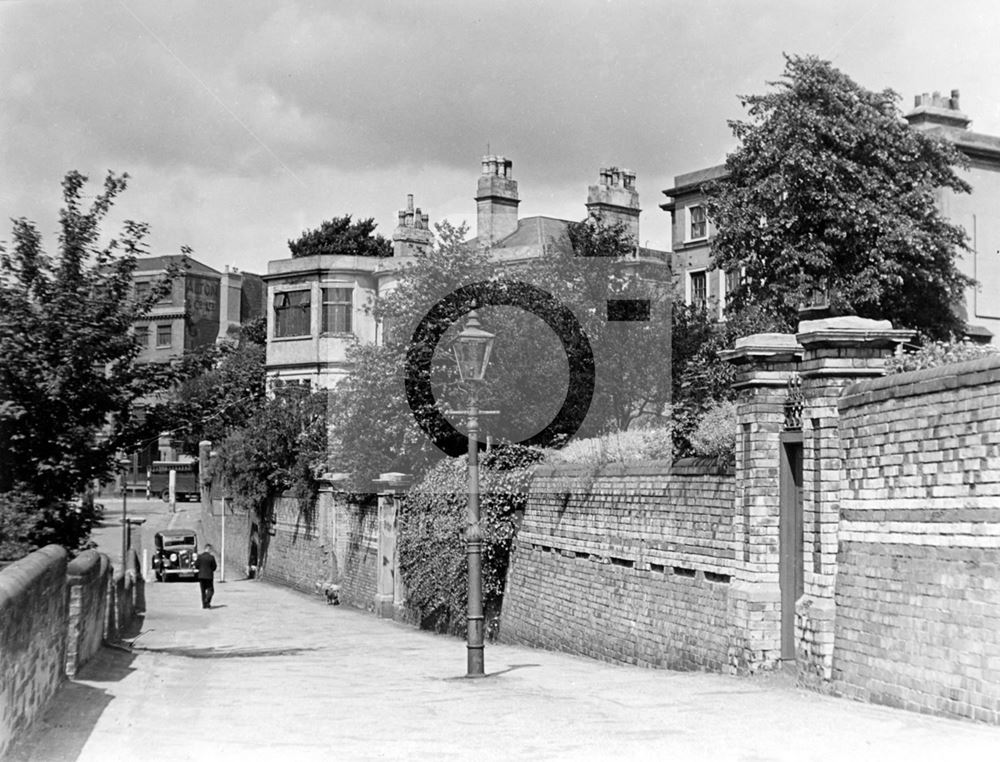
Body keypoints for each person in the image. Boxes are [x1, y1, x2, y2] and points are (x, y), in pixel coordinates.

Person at [196, 544, 218, 609]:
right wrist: (211, 570)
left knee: (203, 591)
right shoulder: (211, 557)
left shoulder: (200, 557)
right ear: (209, 549)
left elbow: (196, 565)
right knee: (211, 590)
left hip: (201, 576)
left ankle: (204, 605)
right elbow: (214, 567)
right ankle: (207, 600)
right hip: (209, 576)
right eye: (210, 549)